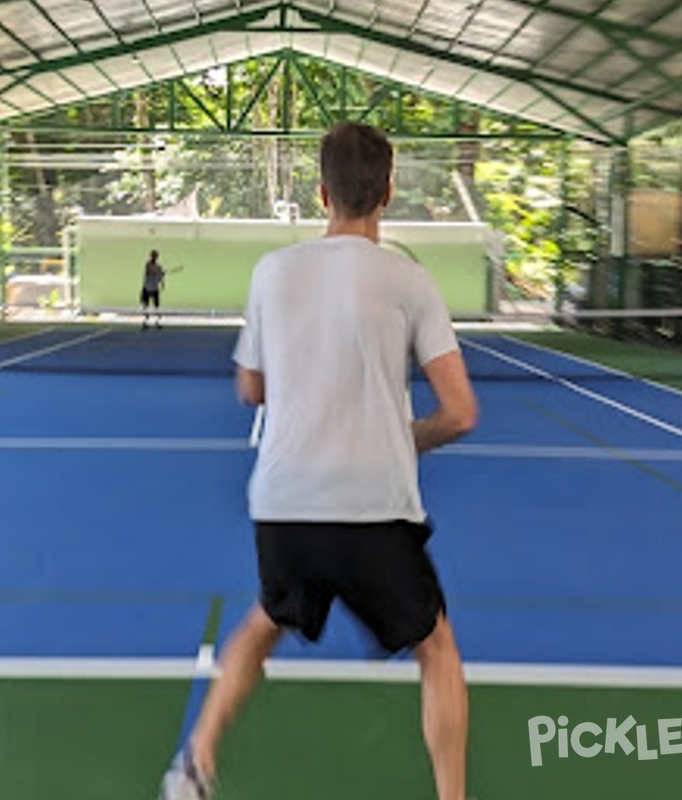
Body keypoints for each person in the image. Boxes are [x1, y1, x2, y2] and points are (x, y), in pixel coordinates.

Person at [158, 122, 479, 800]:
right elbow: (460, 412)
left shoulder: (274, 272)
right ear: (388, 191)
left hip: (284, 504)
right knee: (437, 650)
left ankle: (194, 766)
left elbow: (251, 387)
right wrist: (406, 434)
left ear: (321, 191)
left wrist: (302, 373)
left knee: (263, 623)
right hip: (374, 507)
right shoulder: (410, 282)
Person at [141, 249, 166, 329]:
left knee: (156, 305)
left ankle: (158, 320)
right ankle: (146, 319)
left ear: (157, 257)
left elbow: (159, 278)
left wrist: (162, 277)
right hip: (147, 287)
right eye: (152, 255)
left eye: (155, 256)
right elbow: (148, 272)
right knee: (145, 304)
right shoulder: (148, 264)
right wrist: (158, 272)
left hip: (154, 287)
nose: (153, 257)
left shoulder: (159, 267)